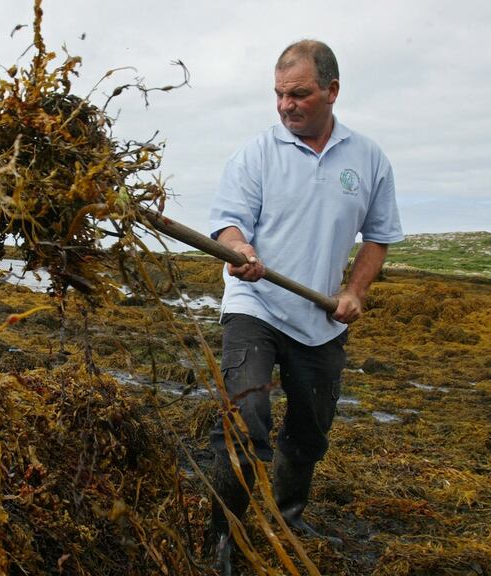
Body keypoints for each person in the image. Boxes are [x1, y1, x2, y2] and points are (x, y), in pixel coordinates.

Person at [206, 39, 403, 573]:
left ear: (332, 91)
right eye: (278, 94)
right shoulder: (257, 153)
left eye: (299, 93)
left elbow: (379, 237)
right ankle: (223, 535)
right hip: (256, 303)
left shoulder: (367, 159)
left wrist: (354, 292)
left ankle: (287, 516)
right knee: (246, 416)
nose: (286, 105)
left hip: (319, 319)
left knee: (310, 430)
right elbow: (230, 221)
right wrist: (240, 248)